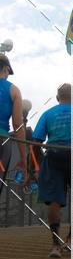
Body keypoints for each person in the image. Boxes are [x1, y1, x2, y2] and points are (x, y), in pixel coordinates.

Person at [32, 83, 72, 257]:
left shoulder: (48, 113)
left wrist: (39, 165)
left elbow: (36, 142)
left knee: (54, 200)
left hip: (54, 155)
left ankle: (56, 245)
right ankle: (70, 241)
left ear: (58, 98)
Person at [0, 53, 27, 196]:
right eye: (8, 72)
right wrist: (23, 159)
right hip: (2, 141)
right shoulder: (13, 90)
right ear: (5, 68)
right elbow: (18, 124)